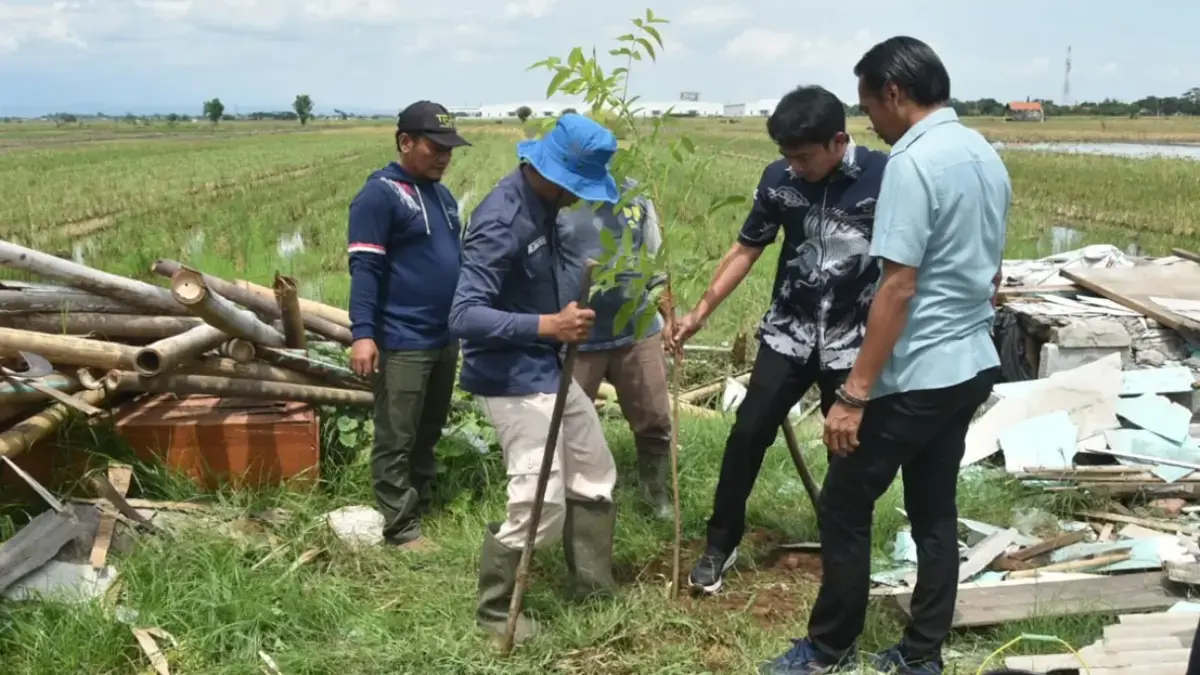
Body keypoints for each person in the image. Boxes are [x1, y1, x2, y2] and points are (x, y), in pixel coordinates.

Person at [758, 37, 1011, 675]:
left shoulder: (912, 162)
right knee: (934, 510)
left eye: (868, 104)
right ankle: (923, 655)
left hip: (919, 370)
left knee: (844, 504)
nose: (867, 120)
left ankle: (824, 650)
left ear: (893, 94)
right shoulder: (983, 152)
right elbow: (992, 269)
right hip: (972, 361)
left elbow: (898, 286)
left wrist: (853, 394)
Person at [672, 85, 889, 595]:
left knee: (849, 454)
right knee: (746, 436)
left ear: (839, 141)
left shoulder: (886, 177)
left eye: (804, 156)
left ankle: (843, 558)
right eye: (786, 156)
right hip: (788, 335)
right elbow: (747, 248)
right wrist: (701, 311)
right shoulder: (780, 180)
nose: (794, 166)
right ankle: (718, 546)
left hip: (853, 343)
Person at [449, 113, 622, 645]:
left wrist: (559, 319)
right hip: (511, 376)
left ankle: (592, 584)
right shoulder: (502, 219)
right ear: (552, 173)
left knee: (594, 469)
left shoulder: (544, 204)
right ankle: (496, 614)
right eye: (577, 188)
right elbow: (462, 315)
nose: (578, 199)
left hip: (547, 364)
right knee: (540, 500)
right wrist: (548, 324)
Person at [346, 101, 469, 552]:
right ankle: (400, 528)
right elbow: (365, 269)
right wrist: (363, 334)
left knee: (429, 427)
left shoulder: (442, 195)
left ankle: (423, 503)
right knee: (396, 434)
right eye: (435, 148)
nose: (444, 157)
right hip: (402, 339)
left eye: (449, 150)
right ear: (405, 142)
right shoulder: (380, 195)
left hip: (443, 336)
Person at [558, 178, 674, 520]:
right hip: (579, 335)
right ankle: (575, 506)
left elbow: (655, 263)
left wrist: (670, 318)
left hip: (637, 328)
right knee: (568, 426)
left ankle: (656, 497)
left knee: (655, 417)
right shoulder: (559, 193)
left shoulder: (635, 193)